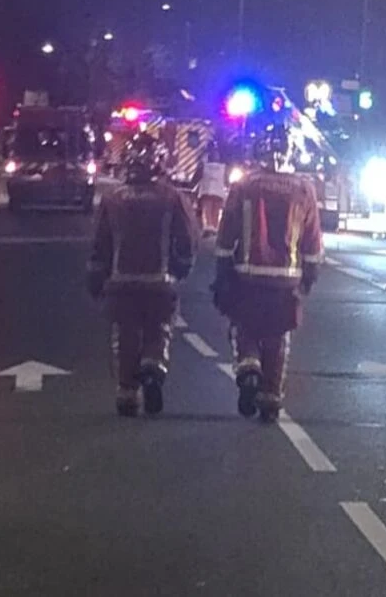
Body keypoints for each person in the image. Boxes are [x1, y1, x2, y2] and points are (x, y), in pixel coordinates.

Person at [213, 128, 323, 423]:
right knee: (278, 336)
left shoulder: (245, 185)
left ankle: (249, 367)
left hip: (247, 276)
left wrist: (222, 268)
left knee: (245, 328)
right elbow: (312, 240)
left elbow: (227, 231)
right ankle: (270, 399)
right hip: (286, 279)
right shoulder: (304, 188)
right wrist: (309, 275)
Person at [87, 133, 199, 417]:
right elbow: (187, 237)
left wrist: (96, 276)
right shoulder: (173, 197)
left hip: (120, 282)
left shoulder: (113, 198)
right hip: (160, 281)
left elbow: (101, 242)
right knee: (159, 328)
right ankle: (153, 366)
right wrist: (182, 266)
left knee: (124, 334)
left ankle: (127, 394)